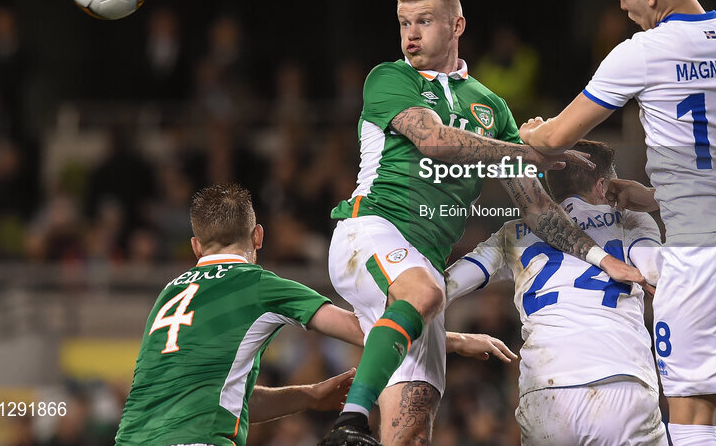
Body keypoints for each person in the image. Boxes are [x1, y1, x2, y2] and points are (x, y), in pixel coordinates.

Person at [320, 0, 650, 446]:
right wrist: (527, 152)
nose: (411, 33)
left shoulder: (491, 106)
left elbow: (537, 209)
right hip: (374, 229)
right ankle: (349, 422)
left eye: (424, 21)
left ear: (457, 26)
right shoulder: (390, 78)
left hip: (425, 265)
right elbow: (434, 141)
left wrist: (602, 258)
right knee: (425, 292)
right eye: (404, 23)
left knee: (412, 432)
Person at [520, 0, 716, 446]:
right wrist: (659, 197)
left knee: (689, 423)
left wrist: (529, 133)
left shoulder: (643, 51)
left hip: (701, 259)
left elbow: (555, 139)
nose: (623, 11)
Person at [115, 183, 512, 445]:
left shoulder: (169, 294)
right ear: (258, 236)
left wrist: (309, 395)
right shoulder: (258, 284)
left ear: (196, 246)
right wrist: (454, 340)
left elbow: (229, 398)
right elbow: (367, 330)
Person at [445, 140, 665, 445]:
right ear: (602, 185)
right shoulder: (630, 219)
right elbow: (656, 274)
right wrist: (657, 199)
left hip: (547, 387)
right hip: (620, 376)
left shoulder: (513, 232)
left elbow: (446, 285)